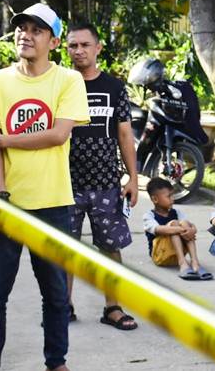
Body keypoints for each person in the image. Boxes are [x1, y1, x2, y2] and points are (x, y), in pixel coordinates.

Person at [0, 3, 89, 371]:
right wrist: (0, 194)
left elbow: (58, 134)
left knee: (55, 294)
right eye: (22, 28)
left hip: (53, 205)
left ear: (53, 42)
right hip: (3, 204)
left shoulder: (68, 81)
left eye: (37, 30)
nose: (26, 35)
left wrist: (5, 139)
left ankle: (56, 362)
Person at [64, 22, 139, 330]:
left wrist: (133, 178)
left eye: (85, 45)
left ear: (98, 48)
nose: (79, 51)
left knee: (110, 247)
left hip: (106, 184)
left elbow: (124, 134)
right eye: (73, 45)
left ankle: (113, 307)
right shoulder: (59, 84)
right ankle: (62, 306)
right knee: (64, 248)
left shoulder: (114, 87)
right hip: (64, 184)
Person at [142, 177, 212, 280]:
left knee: (184, 223)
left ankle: (195, 262)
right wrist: (181, 229)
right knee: (174, 224)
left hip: (175, 253)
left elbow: (190, 225)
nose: (172, 199)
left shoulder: (177, 212)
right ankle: (183, 263)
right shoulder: (148, 216)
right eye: (168, 196)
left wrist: (192, 230)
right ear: (155, 199)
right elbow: (158, 229)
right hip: (160, 255)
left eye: (172, 195)